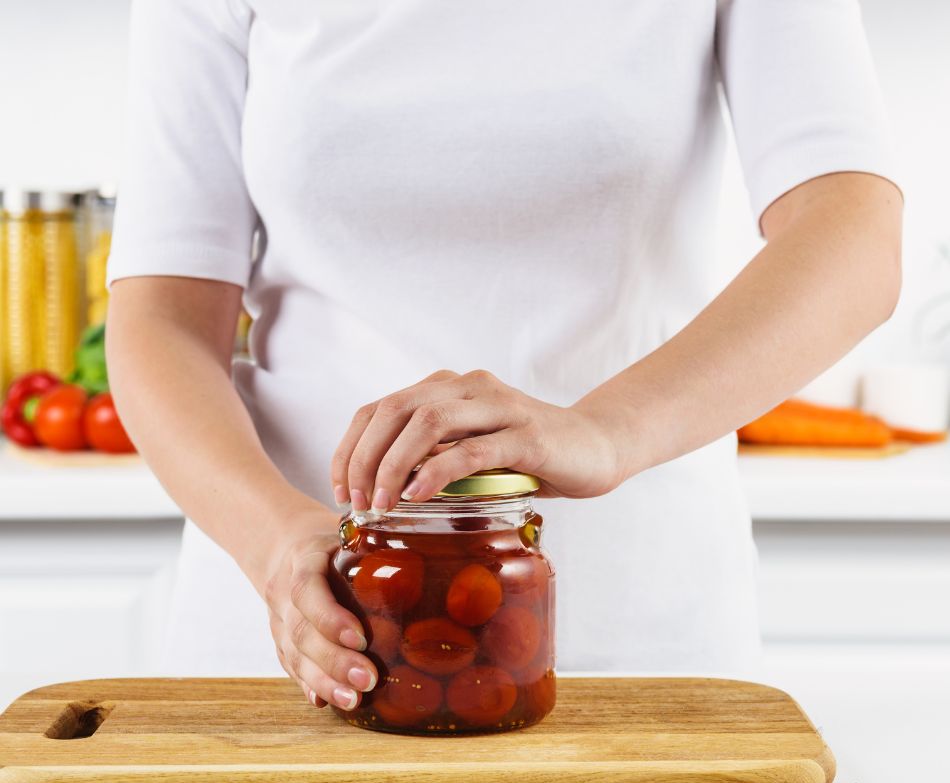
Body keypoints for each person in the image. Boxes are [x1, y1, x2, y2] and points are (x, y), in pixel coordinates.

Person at [106, 0, 902, 712]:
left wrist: (603, 431)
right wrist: (276, 543)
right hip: (301, 613)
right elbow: (162, 320)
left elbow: (853, 235)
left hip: (633, 630)